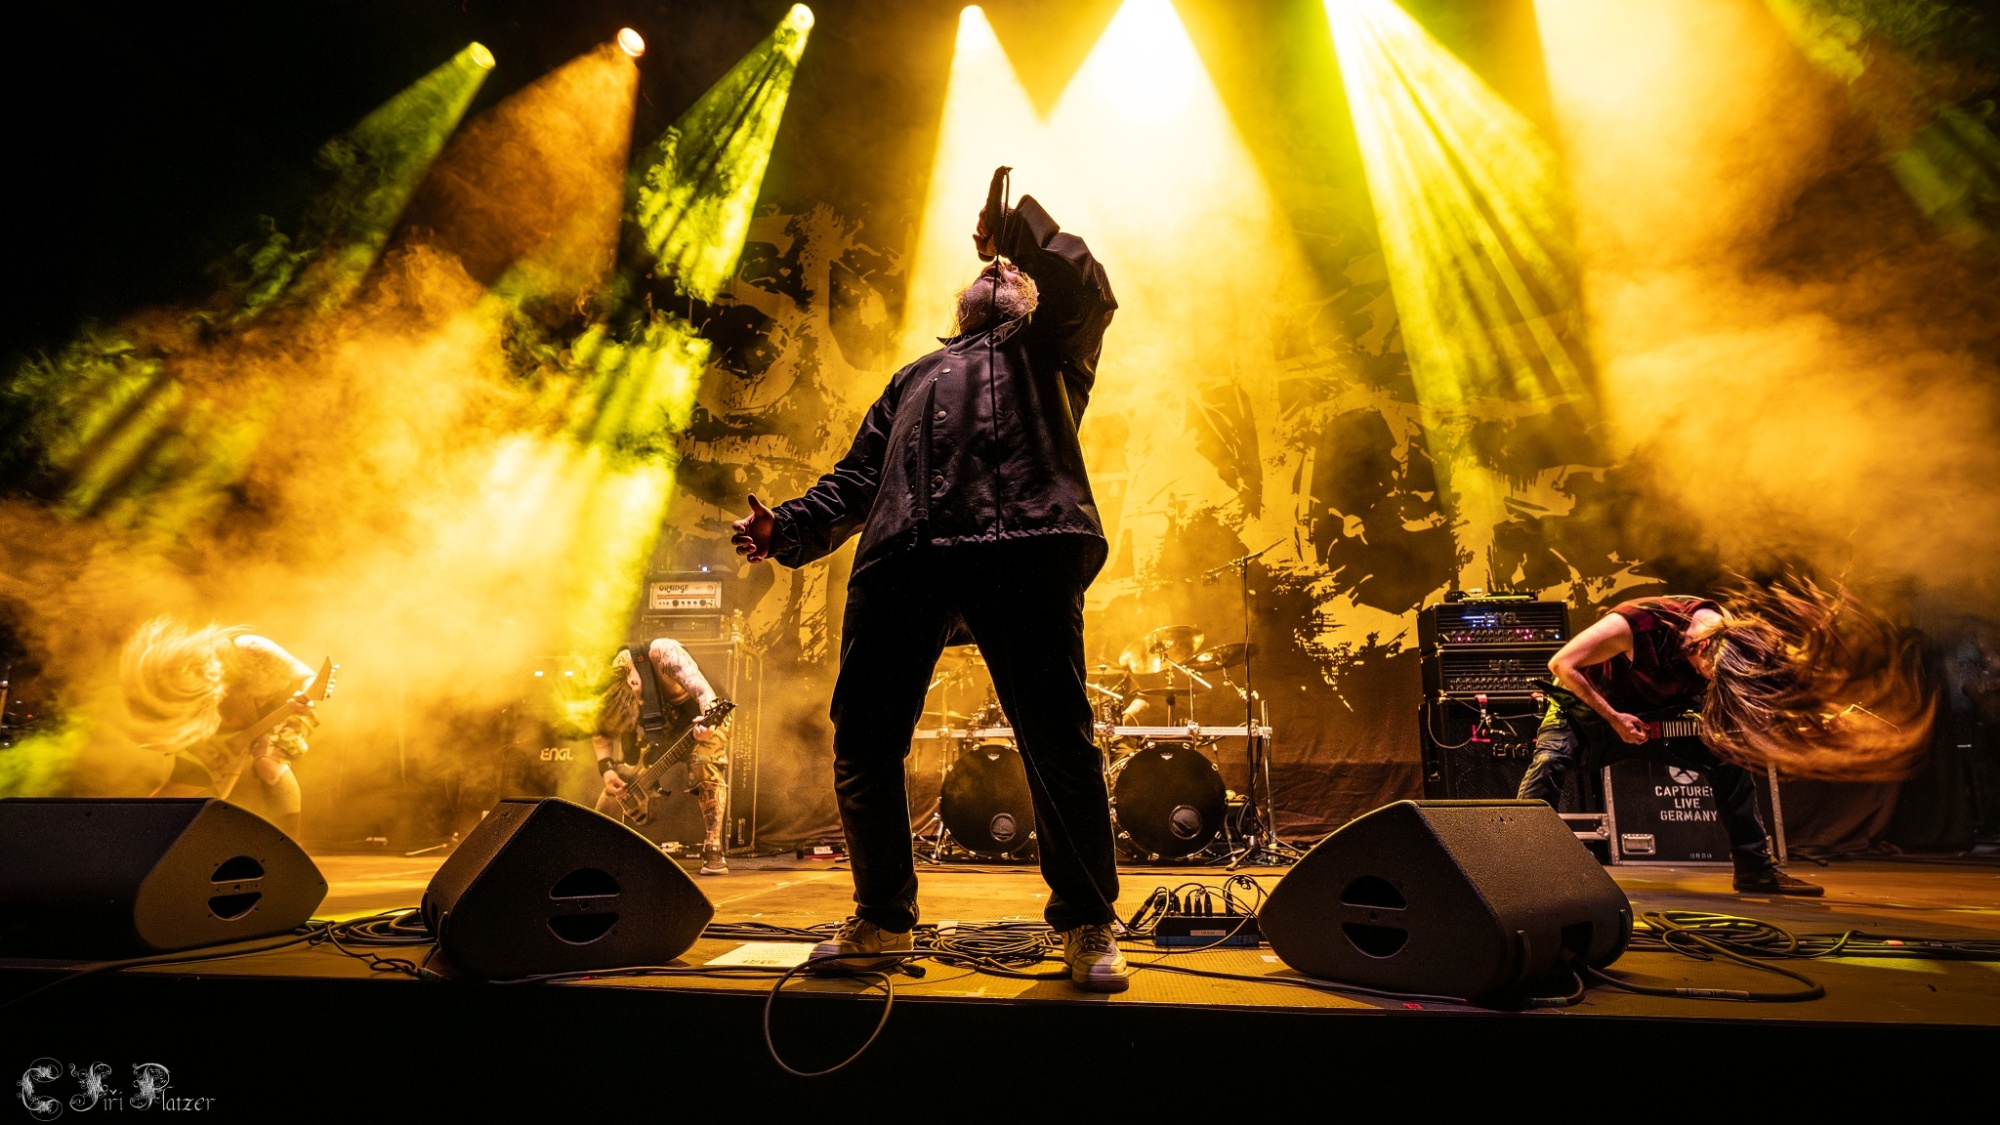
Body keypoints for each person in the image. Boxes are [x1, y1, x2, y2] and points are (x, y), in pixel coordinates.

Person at [731, 172, 1126, 990]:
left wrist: (1014, 228)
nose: (998, 274)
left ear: (1026, 293)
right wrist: (788, 527)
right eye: (991, 269)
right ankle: (882, 918)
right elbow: (855, 479)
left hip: (1023, 544)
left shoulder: (1050, 350)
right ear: (961, 306)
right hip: (903, 557)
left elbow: (1084, 281)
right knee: (864, 739)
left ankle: (1088, 921)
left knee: (1056, 737)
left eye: (1011, 271)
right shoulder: (913, 376)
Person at [1523, 581, 1933, 895]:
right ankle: (1519, 867)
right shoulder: (1639, 622)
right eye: (1708, 673)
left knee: (1728, 760)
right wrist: (1614, 719)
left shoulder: (1731, 637)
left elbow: (1756, 697)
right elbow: (1561, 664)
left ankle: (1755, 872)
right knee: (1549, 763)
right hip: (1590, 710)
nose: (1708, 680)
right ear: (1701, 646)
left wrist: (1813, 721)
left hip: (1658, 716)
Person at [122, 616, 320, 837]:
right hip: (233, 728)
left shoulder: (251, 648)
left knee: (268, 765)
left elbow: (309, 676)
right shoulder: (199, 689)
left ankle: (290, 844)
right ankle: (132, 835)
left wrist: (305, 696)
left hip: (287, 709)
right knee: (181, 786)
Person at [591, 638, 731, 876]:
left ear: (633, 681)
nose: (637, 707)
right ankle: (593, 850)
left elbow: (703, 692)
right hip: (661, 733)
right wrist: (607, 770)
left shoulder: (663, 653)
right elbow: (601, 733)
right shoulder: (608, 687)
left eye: (634, 702)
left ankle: (713, 847)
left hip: (703, 720)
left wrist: (709, 721)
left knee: (703, 763)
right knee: (620, 783)